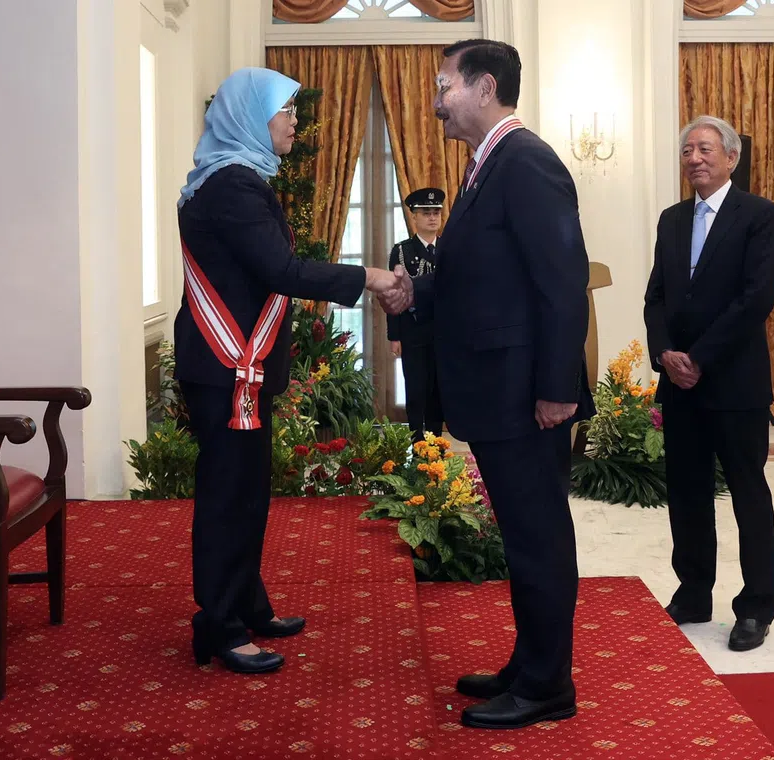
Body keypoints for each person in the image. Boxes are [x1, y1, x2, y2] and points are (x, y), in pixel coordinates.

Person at [381, 39, 595, 730]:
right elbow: (486, 279)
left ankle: (547, 688)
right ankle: (527, 665)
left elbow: (563, 283)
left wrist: (557, 389)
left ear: (485, 87)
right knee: (524, 537)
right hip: (501, 393)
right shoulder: (486, 165)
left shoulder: (527, 163)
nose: (436, 99)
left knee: (538, 540)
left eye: (444, 84)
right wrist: (418, 290)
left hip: (528, 397)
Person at [173, 67, 411, 675]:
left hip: (236, 368)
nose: (295, 121)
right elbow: (280, 269)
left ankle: (246, 605)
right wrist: (369, 276)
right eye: (285, 110)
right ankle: (219, 626)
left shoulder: (237, 178)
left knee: (248, 493)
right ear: (251, 116)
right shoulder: (233, 185)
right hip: (229, 366)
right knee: (229, 497)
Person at [643, 114, 774, 653]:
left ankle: (756, 606)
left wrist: (699, 357)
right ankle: (694, 592)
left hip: (736, 383)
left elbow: (755, 299)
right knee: (687, 493)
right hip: (680, 385)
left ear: (731, 157)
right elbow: (657, 296)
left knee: (749, 494)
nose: (694, 158)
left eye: (704, 149)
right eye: (686, 151)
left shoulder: (759, 215)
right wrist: (665, 355)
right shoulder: (671, 220)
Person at [387, 187, 445, 442]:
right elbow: (393, 297)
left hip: (444, 331)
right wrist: (394, 335)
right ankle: (416, 440)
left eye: (436, 213)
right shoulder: (402, 252)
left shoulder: (449, 249)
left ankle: (436, 442)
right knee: (416, 387)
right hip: (413, 329)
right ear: (414, 217)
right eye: (426, 213)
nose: (432, 218)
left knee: (438, 389)